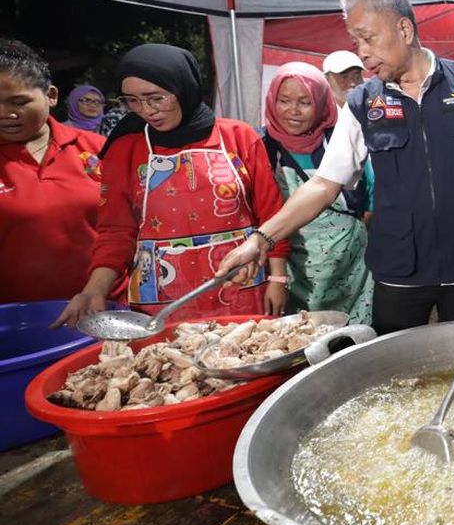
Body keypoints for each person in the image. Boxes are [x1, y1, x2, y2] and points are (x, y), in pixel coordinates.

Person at [217, 0, 454, 334]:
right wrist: (260, 239)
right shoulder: (364, 103)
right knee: (396, 369)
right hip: (399, 269)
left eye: (368, 37)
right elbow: (323, 185)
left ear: (404, 29)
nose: (361, 51)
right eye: (355, 40)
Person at [53, 43, 290, 327]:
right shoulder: (126, 148)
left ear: (183, 87)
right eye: (133, 100)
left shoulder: (236, 136)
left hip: (240, 285)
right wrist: (94, 289)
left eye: (156, 98)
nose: (146, 111)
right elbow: (116, 231)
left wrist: (277, 278)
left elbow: (271, 214)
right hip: (162, 299)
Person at [0, 39, 114, 303]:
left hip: (101, 309)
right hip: (16, 322)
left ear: (51, 95)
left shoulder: (100, 150)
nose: (5, 114)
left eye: (18, 102)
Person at [261, 62, 375, 324]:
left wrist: (352, 240)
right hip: (294, 267)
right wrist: (277, 275)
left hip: (351, 270)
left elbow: (371, 195)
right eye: (284, 100)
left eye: (305, 102)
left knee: (353, 340)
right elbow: (263, 210)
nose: (293, 111)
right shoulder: (263, 149)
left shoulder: (341, 141)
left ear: (321, 101)